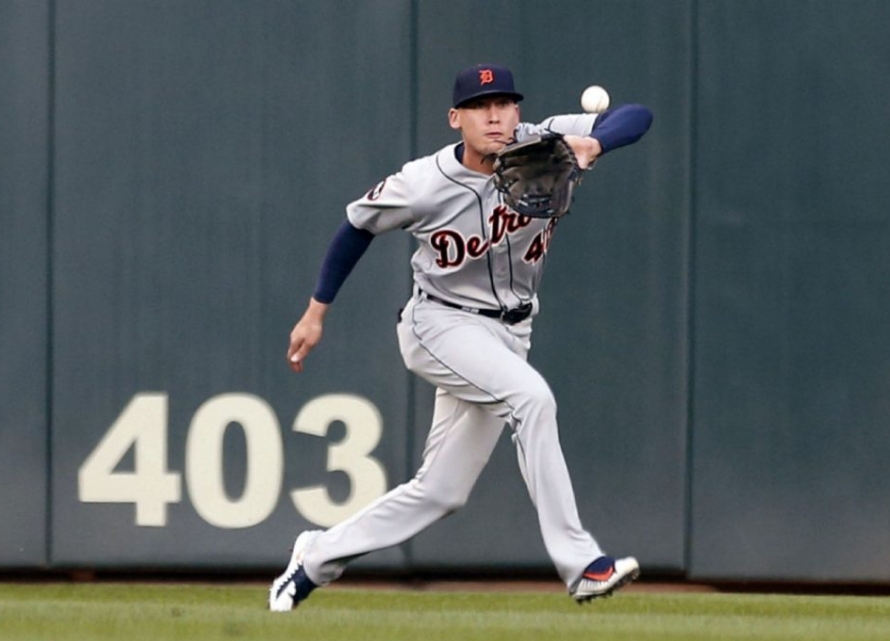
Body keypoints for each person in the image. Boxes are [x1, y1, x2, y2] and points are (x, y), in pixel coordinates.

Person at [269, 64, 653, 611]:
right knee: (532, 400)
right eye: (479, 106)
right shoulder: (422, 182)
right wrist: (315, 313)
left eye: (504, 103)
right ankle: (582, 564)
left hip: (511, 331)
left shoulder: (543, 143)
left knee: (441, 492)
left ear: (518, 111)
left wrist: (594, 141)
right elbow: (356, 226)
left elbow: (637, 117)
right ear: (456, 119)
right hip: (440, 324)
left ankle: (313, 559)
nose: (494, 115)